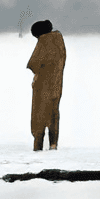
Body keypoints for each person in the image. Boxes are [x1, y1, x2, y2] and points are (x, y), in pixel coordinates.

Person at [27, 19, 66, 150]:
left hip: (43, 86)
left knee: (39, 117)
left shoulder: (44, 41)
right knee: (54, 114)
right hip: (57, 84)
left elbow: (34, 64)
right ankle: (53, 145)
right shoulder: (59, 41)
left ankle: (38, 147)